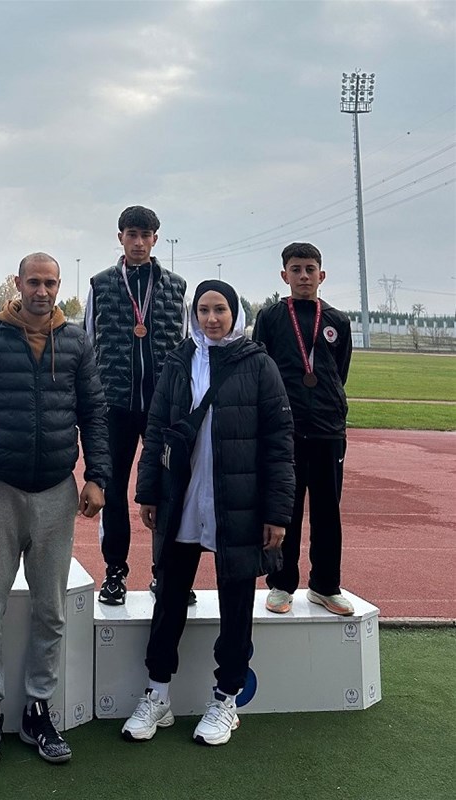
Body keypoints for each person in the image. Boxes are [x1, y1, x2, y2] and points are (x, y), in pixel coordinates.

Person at [0, 253, 110, 767]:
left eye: (51, 283)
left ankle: (38, 709)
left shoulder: (77, 341)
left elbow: (94, 414)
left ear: (59, 286)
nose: (42, 291)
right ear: (17, 284)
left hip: (57, 493)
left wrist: (98, 477)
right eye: (34, 282)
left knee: (51, 611)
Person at [121, 280, 294, 747]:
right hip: (182, 497)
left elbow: (279, 443)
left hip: (238, 501)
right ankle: (157, 694)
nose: (211, 318)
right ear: (193, 314)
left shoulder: (258, 364)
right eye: (203, 310)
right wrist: (148, 492)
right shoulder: (179, 360)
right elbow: (157, 428)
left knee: (236, 603)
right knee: (169, 596)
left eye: (220, 310)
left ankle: (226, 698)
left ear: (235, 314)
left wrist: (277, 512)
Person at [85, 205, 187, 605]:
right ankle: (115, 571)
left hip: (162, 408)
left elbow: (186, 347)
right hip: (115, 406)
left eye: (146, 236)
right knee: (111, 489)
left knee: (166, 489)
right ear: (121, 238)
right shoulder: (100, 284)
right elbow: (88, 344)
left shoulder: (176, 287)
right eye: (132, 234)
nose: (139, 242)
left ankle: (166, 572)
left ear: (155, 239)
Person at [253, 242, 354, 616]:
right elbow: (261, 368)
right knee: (286, 511)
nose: (304, 276)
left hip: (328, 430)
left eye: (310, 269)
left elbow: (338, 372)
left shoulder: (338, 321)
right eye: (296, 269)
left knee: (328, 512)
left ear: (321, 275)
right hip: (285, 431)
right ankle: (281, 584)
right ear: (285, 275)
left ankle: (325, 586)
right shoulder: (271, 317)